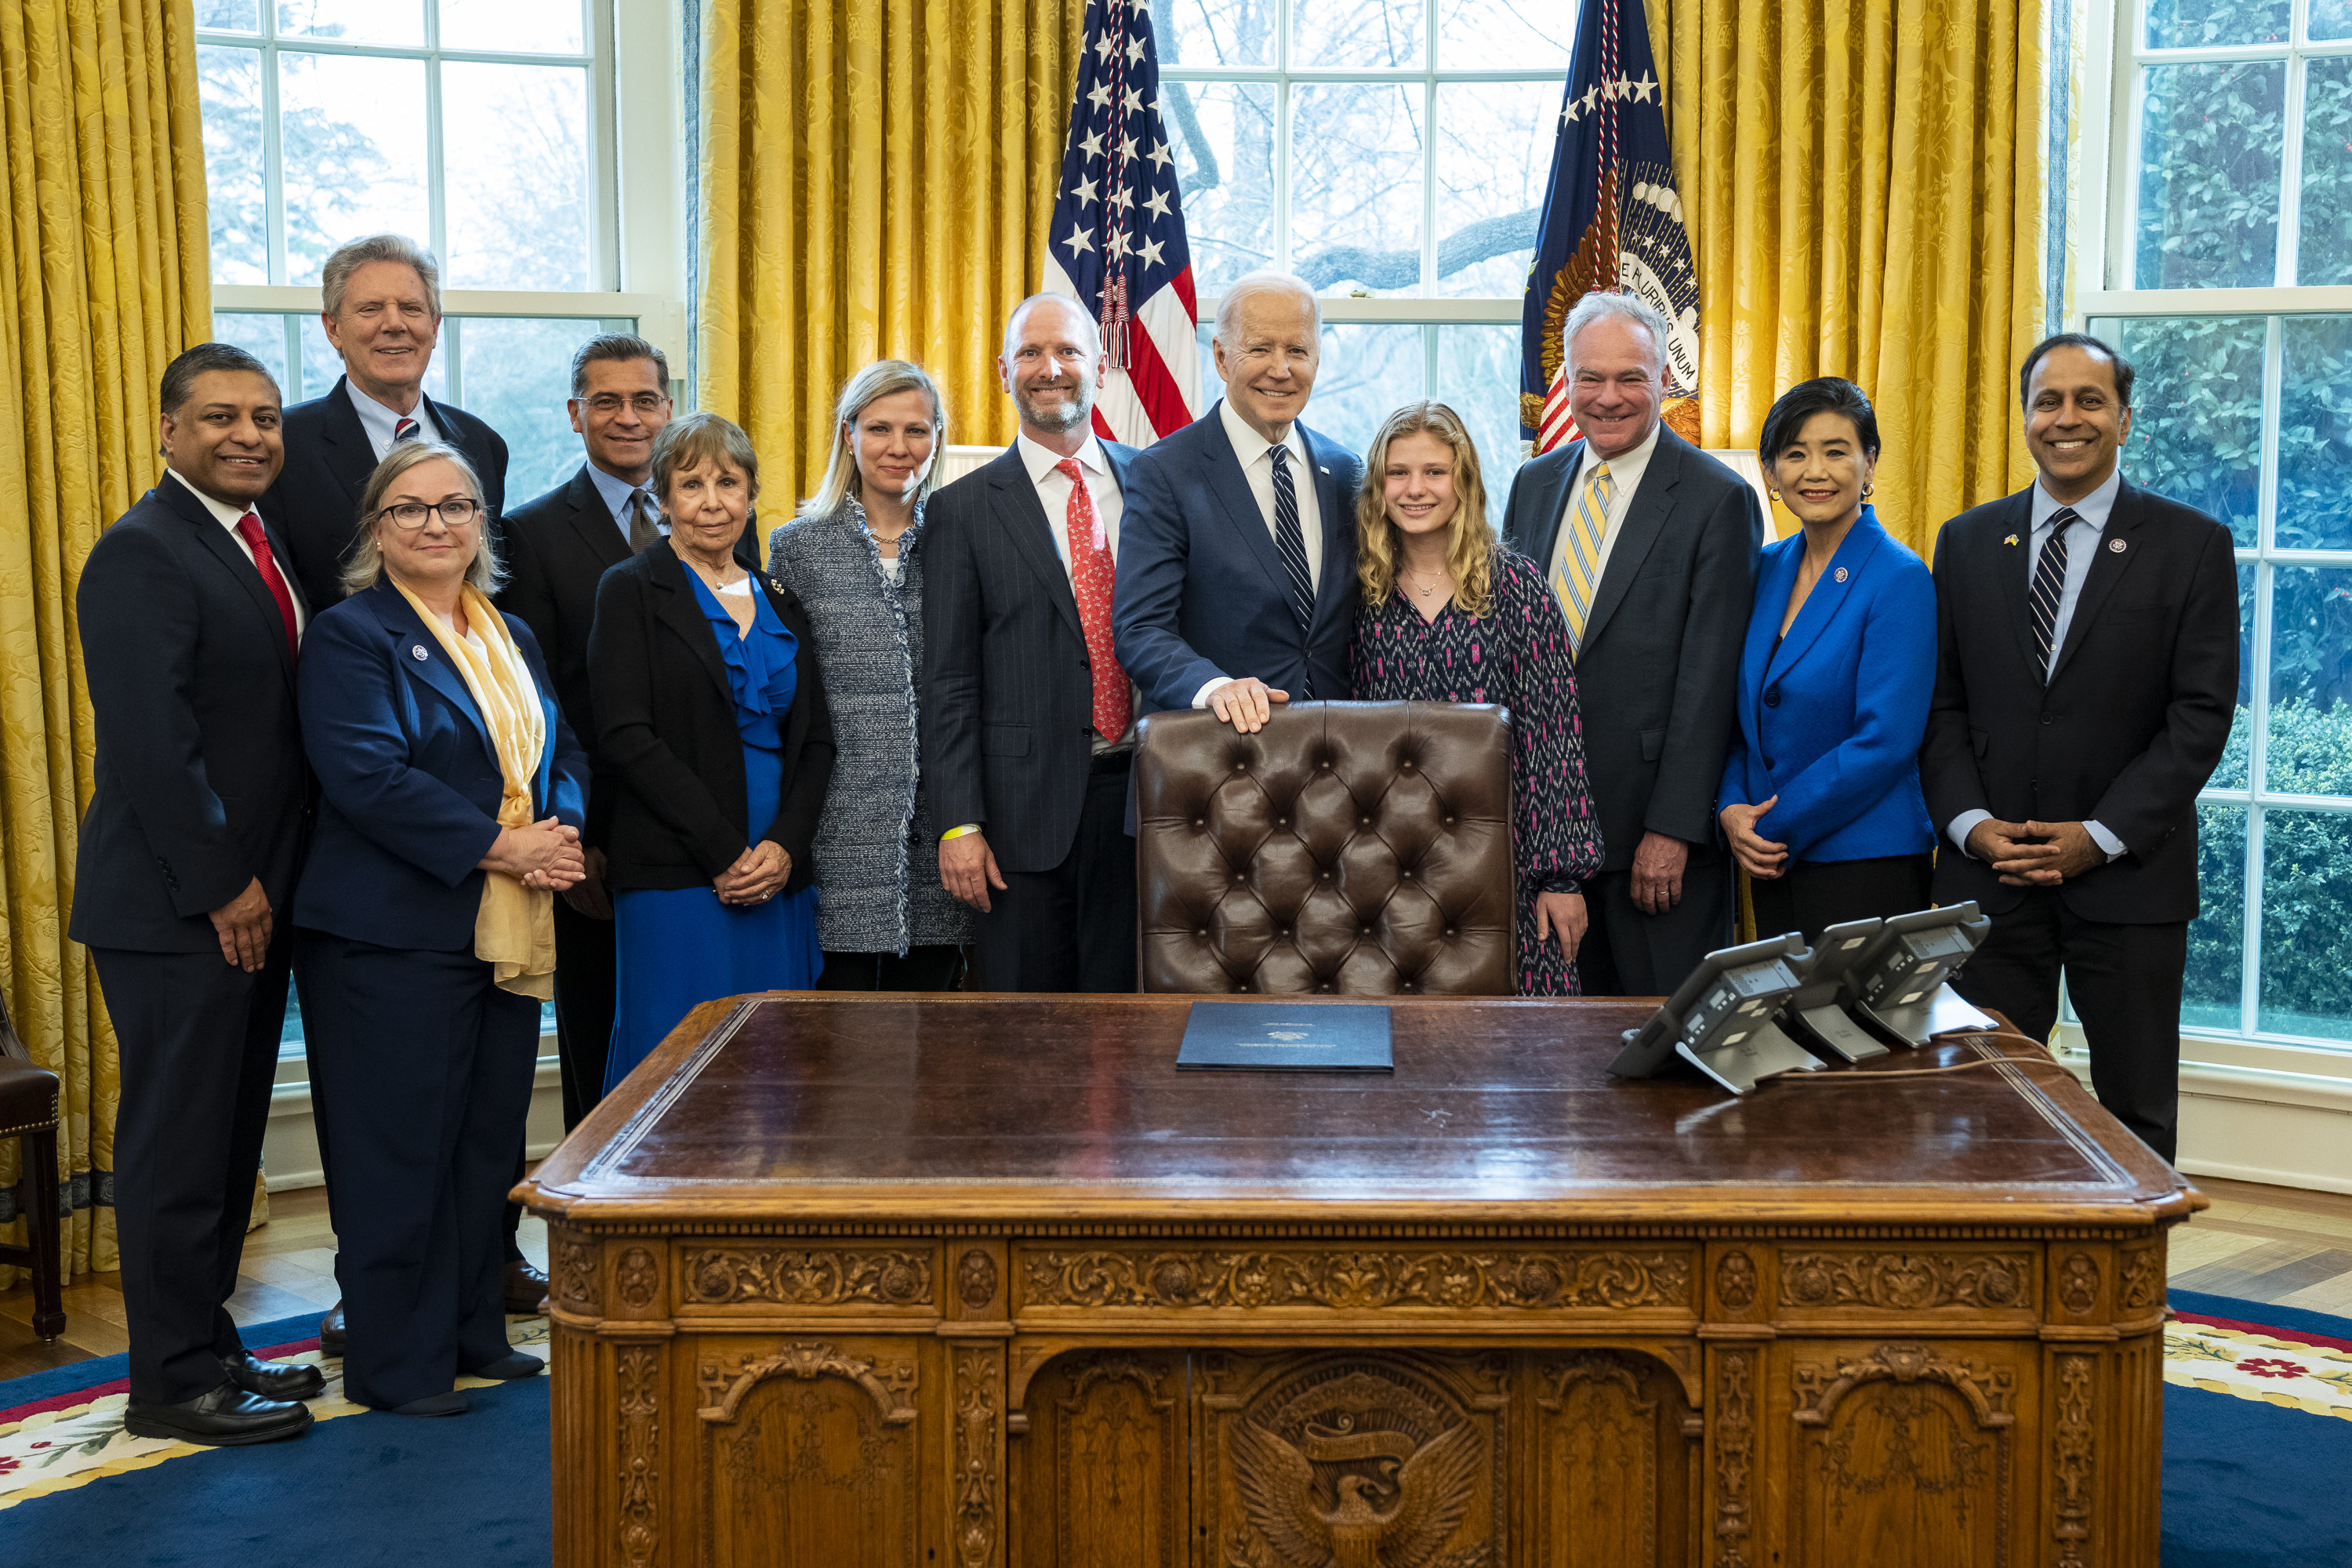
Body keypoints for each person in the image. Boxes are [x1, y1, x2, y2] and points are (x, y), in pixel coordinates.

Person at [292, 440, 589, 1415]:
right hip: (392, 936)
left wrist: (565, 827)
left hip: (498, 930)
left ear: (480, 525)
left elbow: (561, 744)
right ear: (377, 528)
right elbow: (368, 776)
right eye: (411, 508)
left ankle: (471, 1329)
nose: (436, 524)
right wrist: (512, 851)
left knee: (483, 1144)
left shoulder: (507, 630)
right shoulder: (352, 634)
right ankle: (396, 1361)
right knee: (399, 1151)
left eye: (456, 506)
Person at [71, 343, 322, 1446]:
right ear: (168, 431)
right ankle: (169, 1383)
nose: (249, 435)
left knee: (224, 1145)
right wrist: (226, 887)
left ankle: (210, 1347)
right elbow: (152, 750)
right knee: (176, 1148)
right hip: (181, 907)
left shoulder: (253, 542)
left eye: (264, 417)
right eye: (220, 417)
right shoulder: (142, 552)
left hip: (249, 902)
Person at [1923, 333, 2238, 1163]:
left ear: (2125, 418)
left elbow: (2199, 717)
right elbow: (1942, 704)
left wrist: (2095, 838)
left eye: (2089, 400)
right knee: (1985, 1104)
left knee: (2136, 1110)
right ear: (2026, 419)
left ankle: (2133, 1295)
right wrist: (1972, 825)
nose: (2068, 418)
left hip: (2129, 881)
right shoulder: (1964, 542)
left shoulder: (2192, 544)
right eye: (2048, 401)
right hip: (1990, 877)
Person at [1500, 292, 1759, 996]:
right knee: (1551, 1059)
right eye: (1590, 377)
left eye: (1630, 378)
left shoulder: (1717, 498)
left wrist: (1671, 830)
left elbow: (1710, 682)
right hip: (1540, 836)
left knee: (1661, 1054)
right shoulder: (1533, 485)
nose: (1608, 397)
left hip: (1653, 839)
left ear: (1664, 381)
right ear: (1567, 381)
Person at [590, 413, 834, 1087]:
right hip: (680, 869)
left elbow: (815, 741)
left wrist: (784, 848)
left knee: (773, 1065)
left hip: (777, 875)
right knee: (674, 1067)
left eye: (728, 482)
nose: (712, 501)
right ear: (662, 500)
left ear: (752, 493)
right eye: (690, 484)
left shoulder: (783, 600)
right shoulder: (630, 590)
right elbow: (625, 736)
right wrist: (725, 852)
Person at [924, 295, 1144, 990]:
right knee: (1021, 1041)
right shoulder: (962, 510)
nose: (1051, 369)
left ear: (1099, 367)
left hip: (1149, 799)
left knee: (1130, 1034)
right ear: (1004, 371)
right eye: (1030, 353)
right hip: (1020, 816)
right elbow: (949, 680)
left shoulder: (1158, 484)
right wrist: (958, 823)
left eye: (1070, 352)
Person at [1348, 402, 1605, 993]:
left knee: (1522, 1052)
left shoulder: (1517, 586)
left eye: (1435, 472)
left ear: (1463, 482)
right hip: (1384, 858)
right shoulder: (1357, 591)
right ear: (1377, 486)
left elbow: (1553, 740)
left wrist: (1560, 879)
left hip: (1505, 857)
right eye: (1398, 473)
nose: (1416, 489)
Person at [499, 335, 683, 1125]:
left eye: (644, 399)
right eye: (605, 401)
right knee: (599, 1038)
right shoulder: (530, 532)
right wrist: (577, 833)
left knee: (691, 1038)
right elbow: (540, 705)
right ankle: (596, 1236)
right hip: (598, 837)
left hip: (698, 836)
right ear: (575, 414)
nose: (627, 417)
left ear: (669, 409)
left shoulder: (716, 515)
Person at [768, 363, 973, 987]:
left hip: (946, 832)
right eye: (879, 428)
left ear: (937, 437)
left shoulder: (963, 537)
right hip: (834, 831)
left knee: (935, 1043)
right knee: (836, 1044)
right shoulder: (796, 547)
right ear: (849, 434)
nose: (898, 447)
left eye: (916, 429)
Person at [1717, 378, 1936, 941]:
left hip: (1862, 861)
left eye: (1836, 452)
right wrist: (1730, 808)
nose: (1815, 472)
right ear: (1770, 474)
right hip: (1772, 858)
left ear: (1869, 465)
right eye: (1794, 454)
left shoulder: (1899, 576)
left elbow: (1885, 741)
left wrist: (1770, 823)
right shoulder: (1764, 568)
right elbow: (1740, 716)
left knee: (1855, 1030)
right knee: (1787, 1028)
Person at [1113, 270, 1364, 734]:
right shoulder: (1164, 472)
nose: (1281, 369)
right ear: (1222, 357)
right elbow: (1141, 630)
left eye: (1297, 350)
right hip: (1218, 758)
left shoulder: (1347, 471)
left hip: (1336, 761)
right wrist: (1215, 688)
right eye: (1260, 348)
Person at [260, 233, 511, 614]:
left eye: (411, 308)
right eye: (370, 309)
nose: (394, 324)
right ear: (333, 329)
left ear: (435, 325)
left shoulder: (482, 444)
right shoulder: (283, 445)